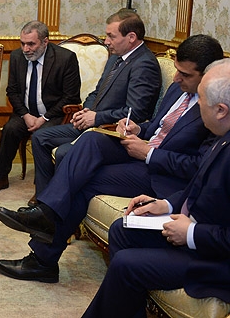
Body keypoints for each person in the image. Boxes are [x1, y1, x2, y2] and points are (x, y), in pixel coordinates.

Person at [0, 34, 223, 284]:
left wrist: (149, 153)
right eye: (176, 70)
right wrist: (138, 129)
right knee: (93, 139)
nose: (177, 78)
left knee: (84, 183)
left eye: (185, 74)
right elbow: (158, 128)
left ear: (208, 75)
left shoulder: (216, 109)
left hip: (163, 175)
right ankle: (46, 213)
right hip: (143, 148)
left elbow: (200, 167)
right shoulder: (179, 89)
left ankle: (42, 258)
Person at [82, 58, 230, 317]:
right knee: (122, 229)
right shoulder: (221, 135)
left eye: (202, 102)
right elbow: (198, 185)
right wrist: (166, 204)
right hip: (198, 233)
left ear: (220, 110)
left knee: (126, 264)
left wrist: (192, 233)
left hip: (215, 258)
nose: (197, 107)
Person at [29, 8, 161, 203]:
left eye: (111, 36)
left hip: (111, 132)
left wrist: (96, 118)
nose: (106, 41)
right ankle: (43, 199)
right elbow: (97, 91)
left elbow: (135, 112)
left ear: (131, 37)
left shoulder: (144, 64)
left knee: (65, 152)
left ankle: (58, 204)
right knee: (40, 138)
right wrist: (87, 111)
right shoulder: (116, 57)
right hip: (92, 123)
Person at [0, 21, 81, 195]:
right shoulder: (17, 56)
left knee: (41, 136)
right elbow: (12, 91)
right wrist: (25, 115)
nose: (26, 49)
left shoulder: (65, 59)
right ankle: (1, 177)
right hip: (26, 113)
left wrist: (44, 118)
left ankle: (42, 186)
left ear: (45, 42)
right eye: (22, 43)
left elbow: (70, 96)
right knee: (10, 129)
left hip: (54, 114)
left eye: (31, 44)